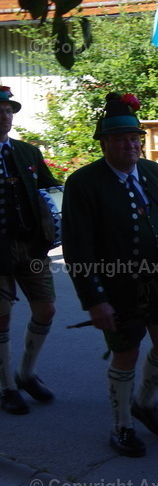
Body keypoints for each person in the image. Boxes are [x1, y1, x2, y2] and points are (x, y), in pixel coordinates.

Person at [63, 92, 158, 457]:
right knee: (126, 356)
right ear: (104, 144)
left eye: (135, 138)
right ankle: (121, 427)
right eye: (120, 139)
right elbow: (77, 249)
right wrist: (95, 300)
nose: (130, 144)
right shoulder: (84, 183)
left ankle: (144, 402)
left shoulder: (152, 171)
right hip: (116, 289)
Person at [0, 86, 60, 414]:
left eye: (8, 110)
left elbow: (50, 189)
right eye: (0, 110)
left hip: (31, 247)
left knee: (46, 309)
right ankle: (7, 387)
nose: (5, 116)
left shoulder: (27, 153)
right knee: (1, 318)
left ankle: (25, 373)